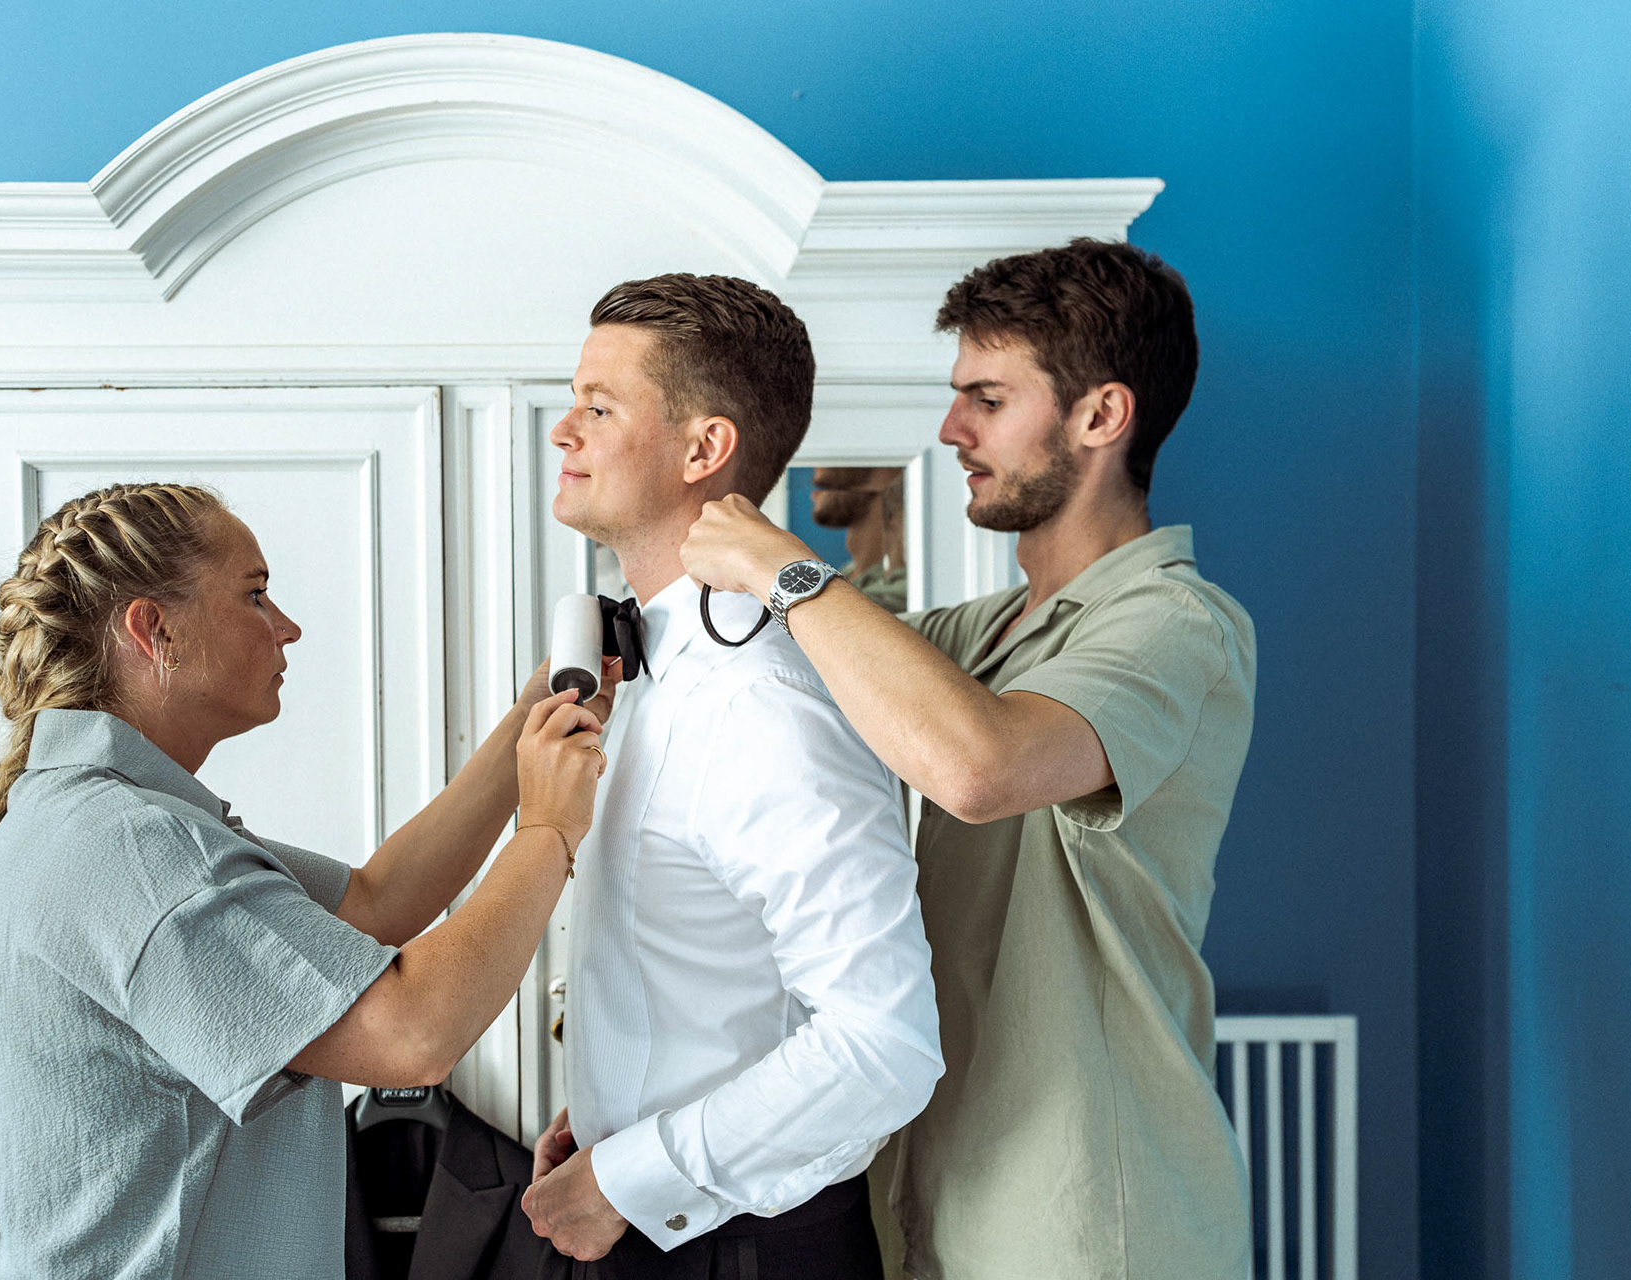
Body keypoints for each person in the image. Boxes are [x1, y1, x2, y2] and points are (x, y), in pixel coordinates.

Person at [682, 239, 1257, 1279]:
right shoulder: (977, 636)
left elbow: (980, 766)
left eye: (988, 399)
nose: (953, 430)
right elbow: (789, 693)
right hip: (934, 1194)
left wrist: (783, 562)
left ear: (1100, 416)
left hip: (1090, 1223)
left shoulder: (1177, 623)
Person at [0, 482, 613, 1280]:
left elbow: (374, 902)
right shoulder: (133, 848)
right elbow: (411, 1035)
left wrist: (532, 721)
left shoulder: (99, 817)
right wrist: (550, 829)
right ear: (153, 629)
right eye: (255, 595)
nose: (287, 626)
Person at [520, 275, 943, 1278]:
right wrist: (612, 1109)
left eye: (599, 407)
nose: (563, 431)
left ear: (703, 449)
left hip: (745, 1253)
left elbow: (883, 1042)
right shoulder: (648, 672)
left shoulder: (763, 701)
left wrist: (632, 1172)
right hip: (663, 1220)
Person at [809, 466, 907, 612]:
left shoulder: (910, 586)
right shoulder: (847, 573)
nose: (817, 466)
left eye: (826, 485)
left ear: (887, 471)